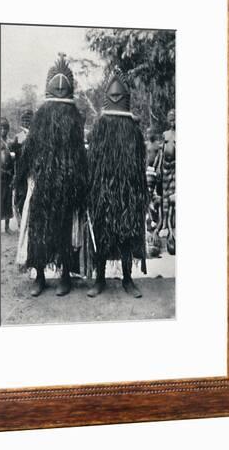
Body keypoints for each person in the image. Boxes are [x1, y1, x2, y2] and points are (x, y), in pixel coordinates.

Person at [15, 55, 87, 297]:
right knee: (39, 231)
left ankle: (66, 276)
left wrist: (77, 183)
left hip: (66, 186)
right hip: (42, 184)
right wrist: (28, 179)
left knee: (65, 231)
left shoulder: (74, 119)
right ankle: (40, 277)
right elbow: (30, 151)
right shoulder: (41, 118)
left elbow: (79, 155)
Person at [87, 66, 148, 298]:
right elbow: (93, 160)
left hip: (128, 193)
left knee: (126, 236)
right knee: (102, 235)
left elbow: (139, 164)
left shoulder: (133, 130)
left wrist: (139, 193)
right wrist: (93, 190)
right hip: (102, 191)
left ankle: (127, 280)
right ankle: (99, 279)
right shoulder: (100, 127)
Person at [156, 109, 176, 237]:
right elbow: (161, 153)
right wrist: (158, 167)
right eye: (170, 119)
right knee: (164, 196)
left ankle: (172, 225)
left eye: (174, 119)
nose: (172, 122)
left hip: (175, 167)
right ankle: (163, 224)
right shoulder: (165, 134)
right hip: (165, 168)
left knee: (173, 196)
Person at [12, 108, 33, 220]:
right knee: (21, 194)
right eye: (24, 121)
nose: (26, 123)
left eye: (28, 121)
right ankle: (21, 217)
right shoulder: (18, 136)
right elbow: (14, 153)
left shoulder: (35, 134)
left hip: (32, 169)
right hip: (21, 169)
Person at [0, 117, 14, 234]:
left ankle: (7, 226)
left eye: (5, 128)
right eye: (1, 128)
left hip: (9, 176)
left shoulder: (10, 142)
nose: (3, 130)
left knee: (8, 200)